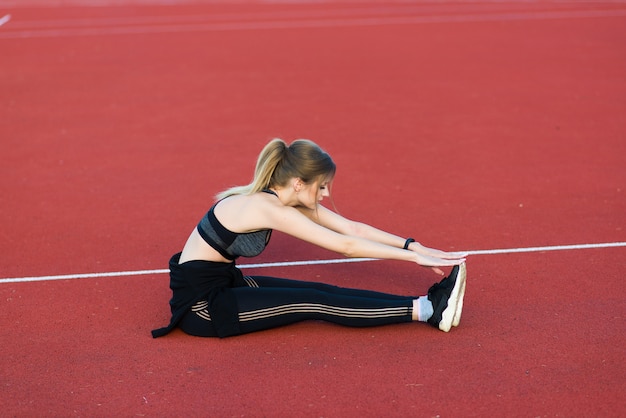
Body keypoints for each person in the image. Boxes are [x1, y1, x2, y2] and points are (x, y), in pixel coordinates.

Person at [152, 139, 467, 339]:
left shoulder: (283, 198)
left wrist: (413, 246)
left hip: (222, 284)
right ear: (299, 183)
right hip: (202, 307)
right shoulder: (267, 207)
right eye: (322, 186)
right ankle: (428, 310)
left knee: (319, 289)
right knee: (313, 302)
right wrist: (414, 259)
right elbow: (345, 246)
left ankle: (427, 305)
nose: (326, 194)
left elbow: (352, 229)